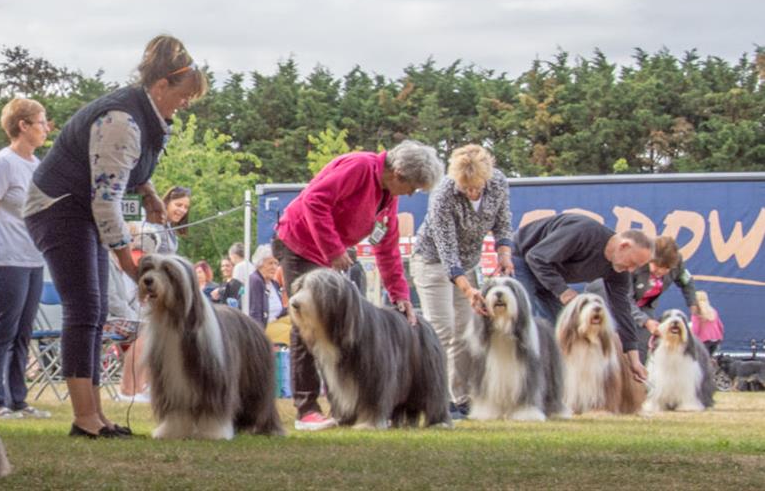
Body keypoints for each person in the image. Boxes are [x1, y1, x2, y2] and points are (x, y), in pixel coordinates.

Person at [24, 34, 206, 438]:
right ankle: (84, 418)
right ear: (161, 86)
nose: (186, 103)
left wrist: (150, 192)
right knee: (84, 306)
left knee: (94, 310)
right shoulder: (121, 120)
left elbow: (126, 170)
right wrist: (132, 268)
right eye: (183, 95)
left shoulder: (145, 115)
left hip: (78, 205)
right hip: (57, 206)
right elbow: (106, 203)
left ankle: (96, 415)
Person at [273, 141, 443, 431]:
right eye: (413, 187)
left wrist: (400, 294)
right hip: (300, 245)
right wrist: (334, 249)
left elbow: (386, 248)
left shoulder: (388, 196)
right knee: (308, 326)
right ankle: (307, 409)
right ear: (398, 174)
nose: (412, 193)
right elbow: (315, 201)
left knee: (344, 326)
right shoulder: (359, 167)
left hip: (330, 254)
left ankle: (346, 407)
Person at [411, 144, 514, 419]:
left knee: (465, 332)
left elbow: (503, 221)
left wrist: (504, 252)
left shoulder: (499, 182)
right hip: (433, 261)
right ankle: (437, 398)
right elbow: (447, 249)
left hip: (468, 262)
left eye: (476, 187)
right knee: (441, 330)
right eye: (465, 187)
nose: (470, 192)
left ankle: (462, 397)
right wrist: (467, 288)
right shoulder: (443, 192)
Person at [0, 97, 51, 420]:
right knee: (4, 329)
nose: (47, 128)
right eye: (43, 122)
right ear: (23, 125)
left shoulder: (36, 164)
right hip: (4, 257)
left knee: (23, 331)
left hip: (32, 257)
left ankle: (19, 399)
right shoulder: (3, 163)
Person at [511, 213, 653, 383]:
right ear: (623, 246)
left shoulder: (618, 270)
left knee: (562, 329)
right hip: (521, 259)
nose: (631, 270)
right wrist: (563, 291)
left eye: (636, 267)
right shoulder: (583, 232)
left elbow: (623, 311)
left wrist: (634, 360)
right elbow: (536, 257)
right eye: (632, 262)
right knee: (523, 318)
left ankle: (549, 385)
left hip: (550, 275)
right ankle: (517, 380)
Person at [627, 237, 699, 335]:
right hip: (619, 305)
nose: (660, 271)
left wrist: (693, 303)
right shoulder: (634, 264)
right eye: (657, 266)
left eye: (666, 268)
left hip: (646, 305)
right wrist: (645, 321)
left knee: (645, 342)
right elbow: (625, 299)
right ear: (649, 259)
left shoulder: (677, 263)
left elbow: (686, 282)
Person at [247, 245, 287, 326]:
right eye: (270, 263)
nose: (274, 267)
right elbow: (255, 314)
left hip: (277, 325)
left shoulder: (274, 284)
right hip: (264, 330)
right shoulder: (255, 281)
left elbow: (279, 311)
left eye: (276, 263)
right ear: (260, 264)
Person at [691, 291, 723, 357]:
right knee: (709, 358)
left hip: (704, 341)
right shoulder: (713, 311)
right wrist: (720, 338)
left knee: (701, 360)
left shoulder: (696, 313)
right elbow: (721, 326)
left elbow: (695, 329)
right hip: (716, 340)